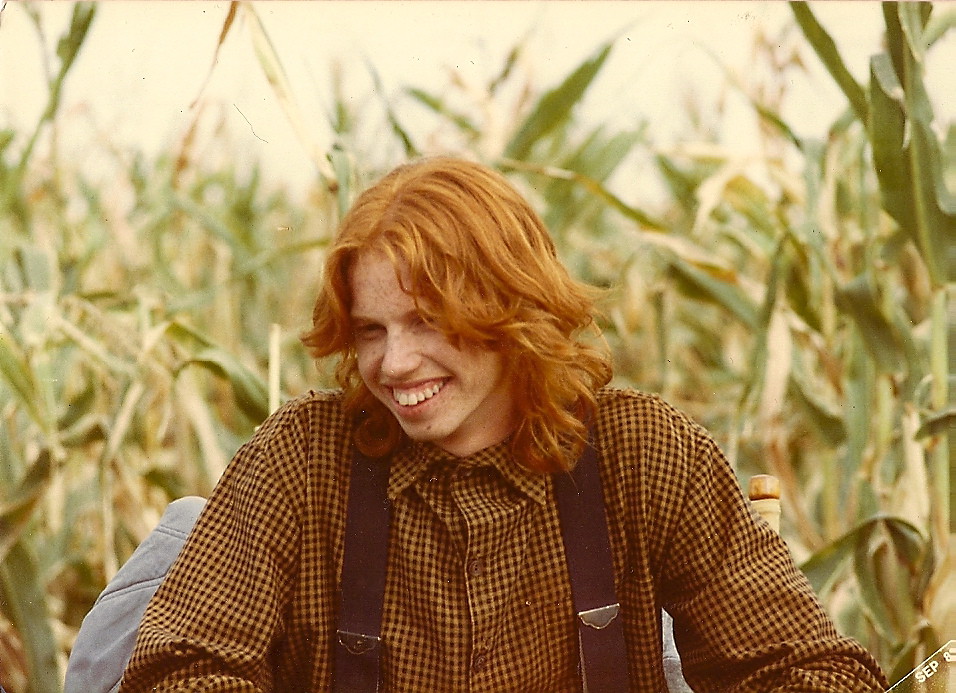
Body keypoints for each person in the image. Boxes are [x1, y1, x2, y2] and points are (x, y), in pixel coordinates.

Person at [117, 157, 888, 691]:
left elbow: (810, 669)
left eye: (427, 321)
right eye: (371, 330)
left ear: (510, 310)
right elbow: (176, 667)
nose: (394, 363)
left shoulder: (646, 454)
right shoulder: (301, 459)